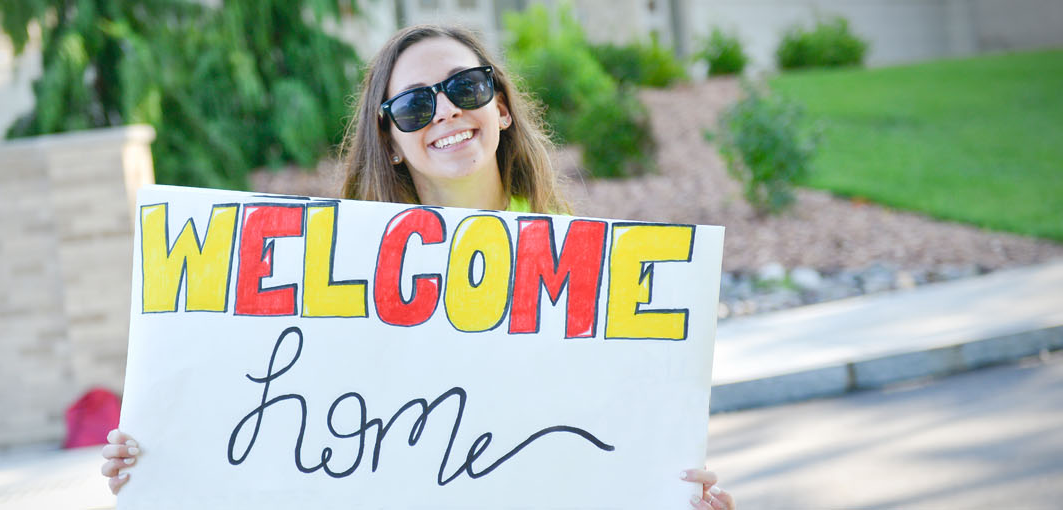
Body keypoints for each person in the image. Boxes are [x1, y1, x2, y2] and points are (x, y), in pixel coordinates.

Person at [100, 24, 736, 510]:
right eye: (413, 107)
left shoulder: (590, 274)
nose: (446, 113)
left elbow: (614, 442)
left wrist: (672, 489)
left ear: (502, 106)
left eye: (466, 88)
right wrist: (167, 458)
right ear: (392, 142)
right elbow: (280, 431)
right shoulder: (337, 275)